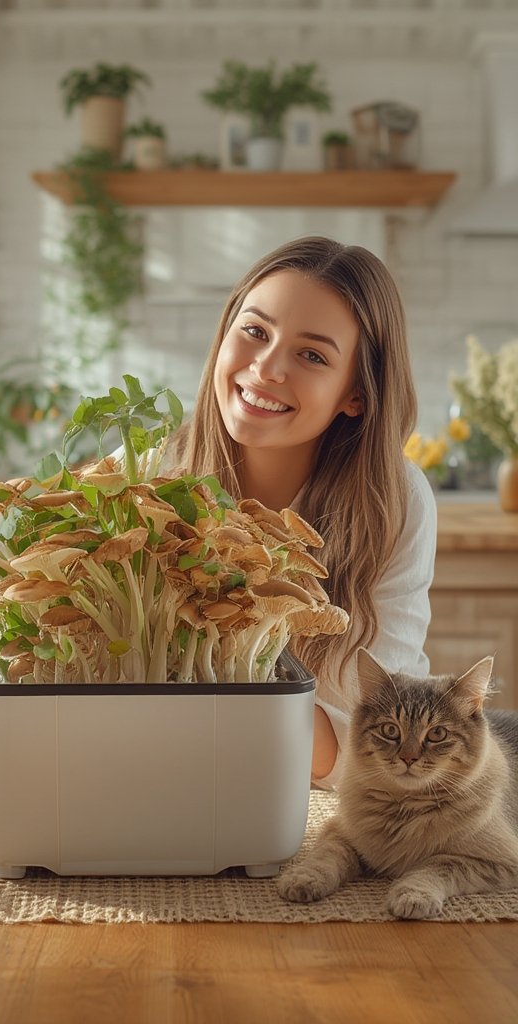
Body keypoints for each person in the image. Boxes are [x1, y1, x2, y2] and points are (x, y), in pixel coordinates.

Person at [170, 235, 437, 788]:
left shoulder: (396, 501)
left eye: (312, 355)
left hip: (313, 799)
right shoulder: (151, 472)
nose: (267, 368)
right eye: (254, 331)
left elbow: (379, 747)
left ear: (356, 394)